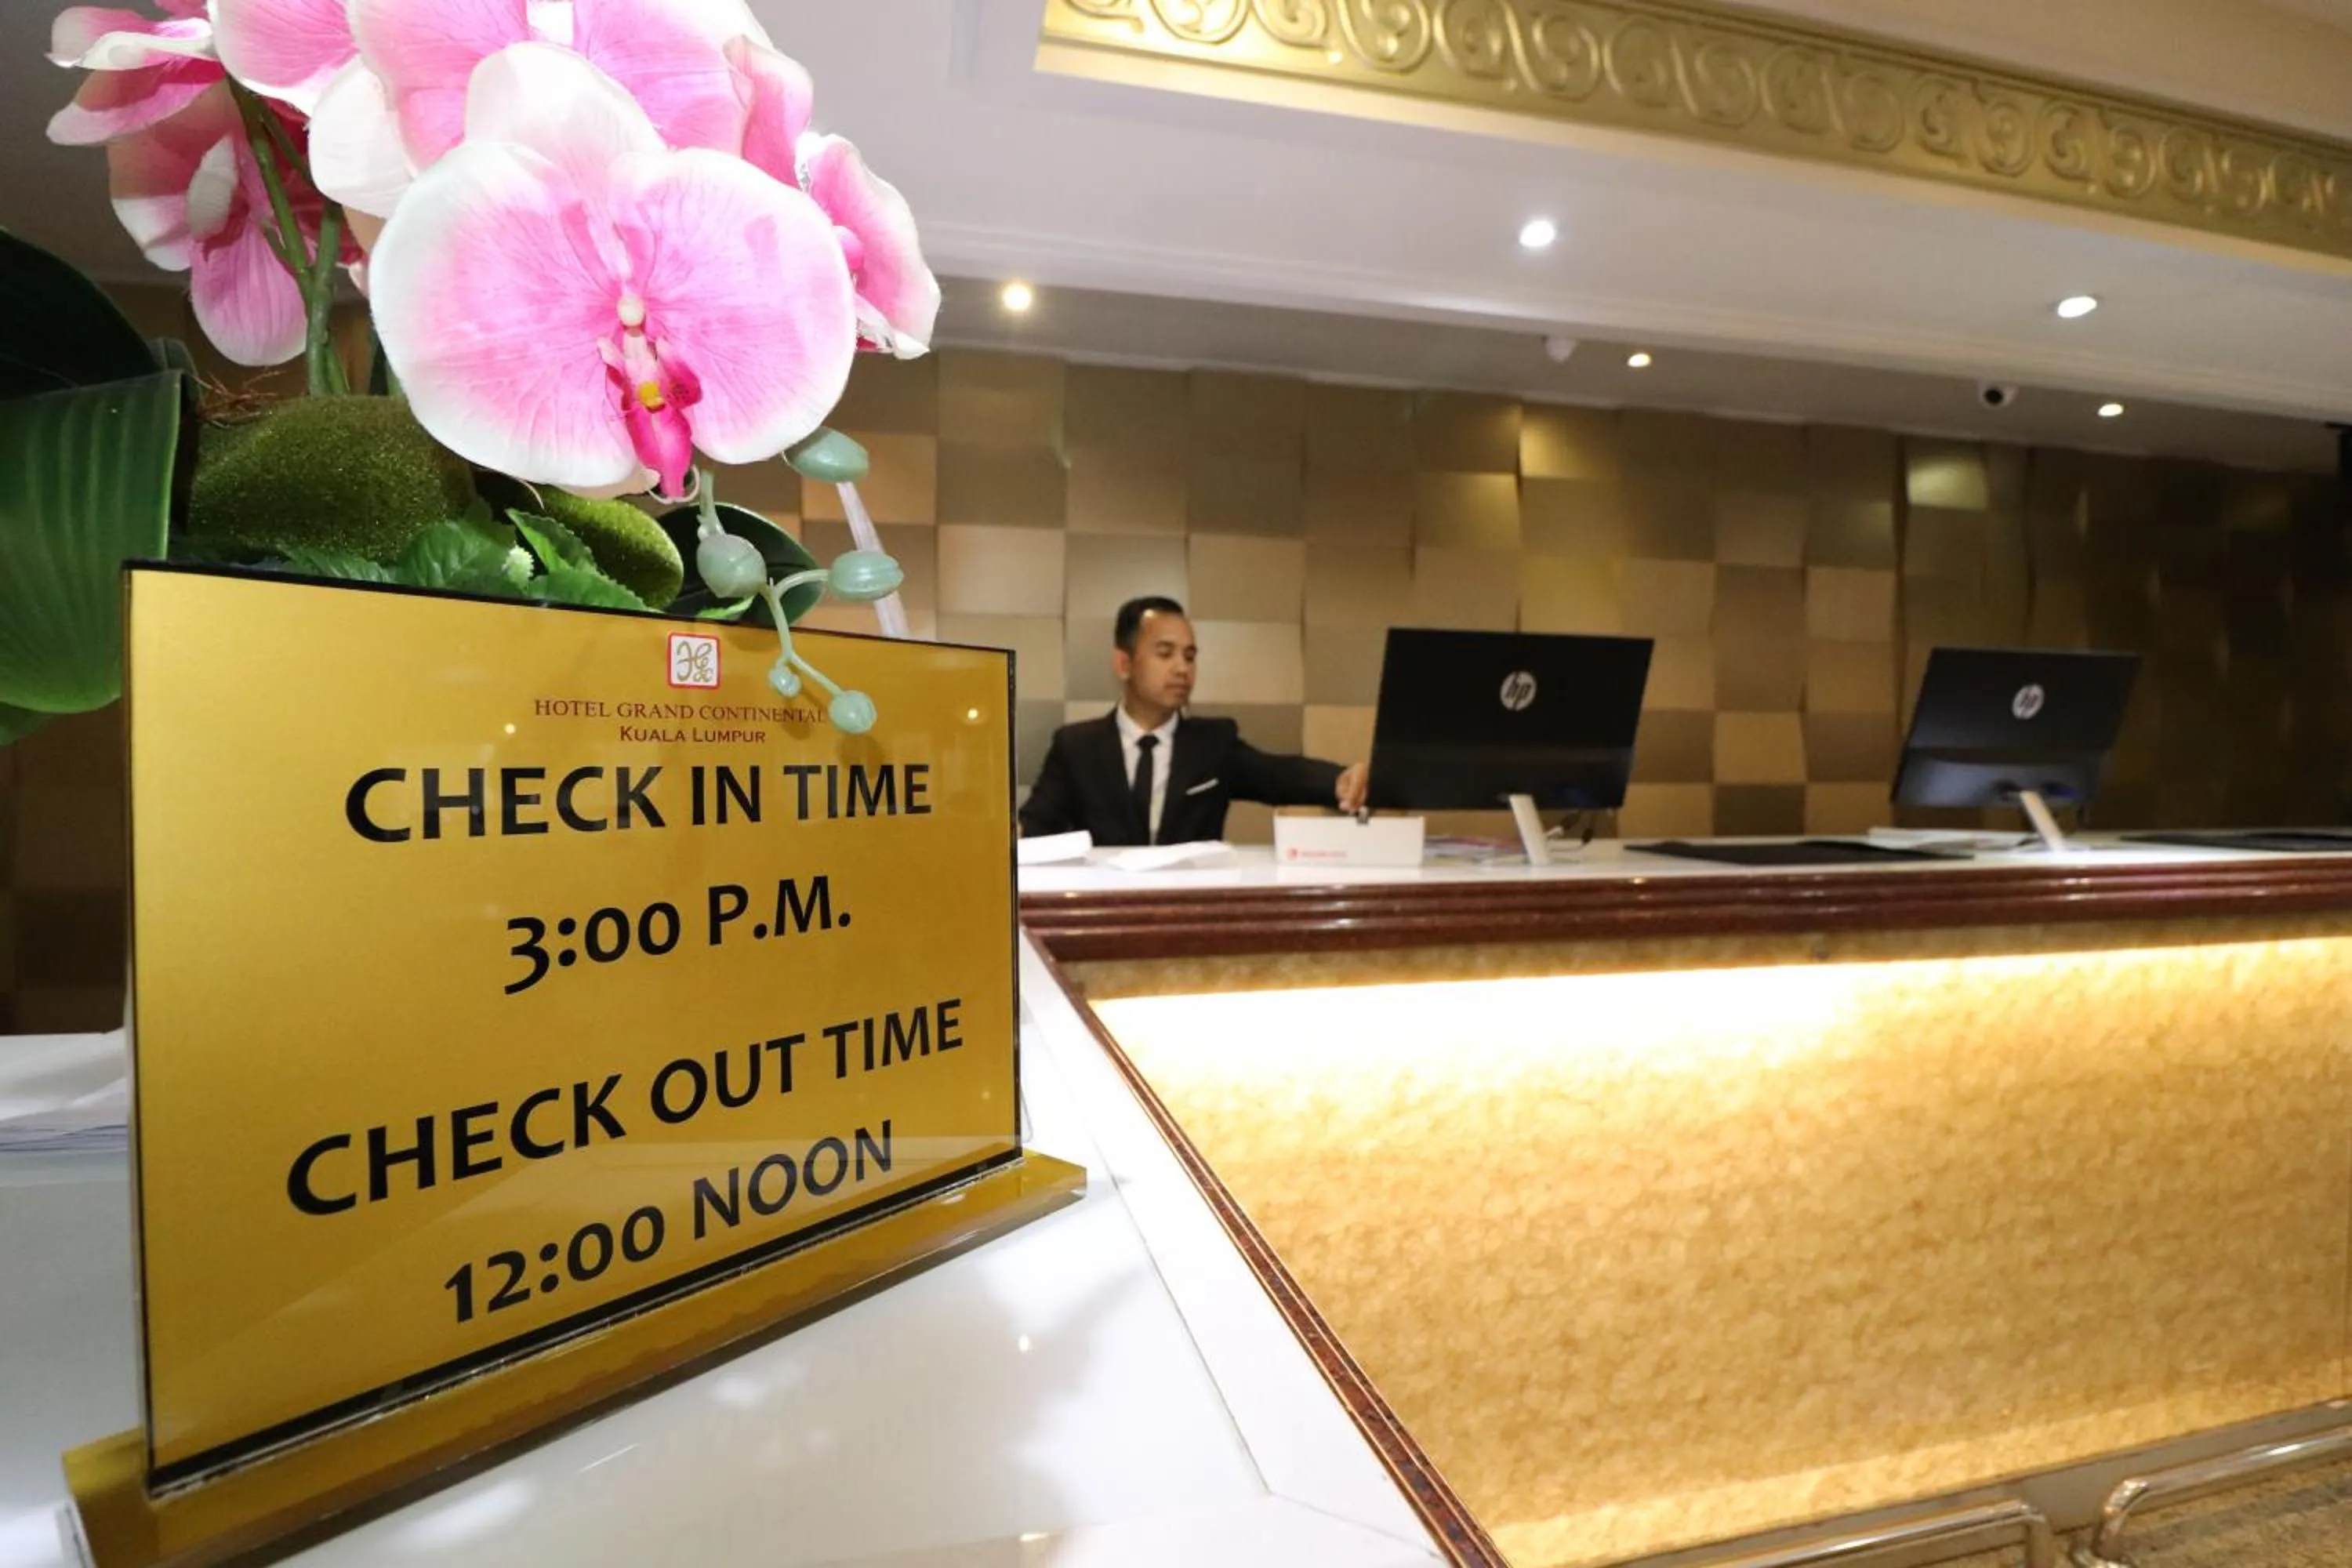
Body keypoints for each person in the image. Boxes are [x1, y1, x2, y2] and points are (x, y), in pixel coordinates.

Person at [1019, 597, 1368, 846]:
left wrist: (1338, 780)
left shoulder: (1213, 744)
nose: (1182, 669)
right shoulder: (1077, 746)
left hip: (1186, 915)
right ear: (1124, 665)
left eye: (1190, 656)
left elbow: (1278, 775)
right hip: (1103, 916)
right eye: (1165, 654)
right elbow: (1034, 827)